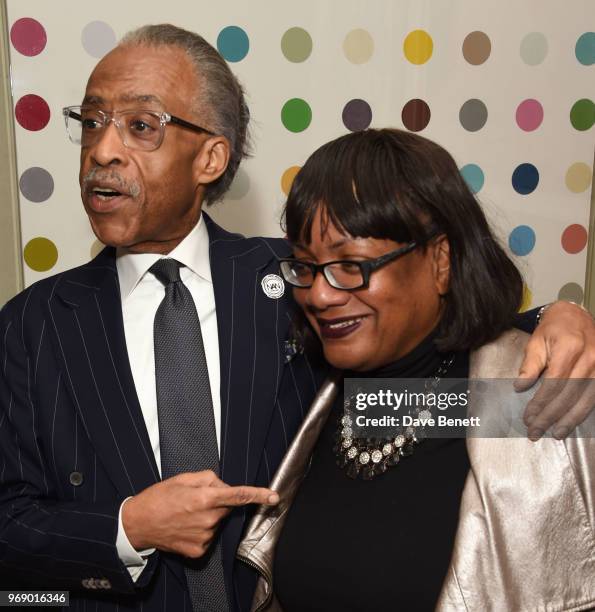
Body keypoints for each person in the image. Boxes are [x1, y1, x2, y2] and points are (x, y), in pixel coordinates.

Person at [0, 24, 592, 612]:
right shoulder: (31, 325)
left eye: (139, 125)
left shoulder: (294, 281)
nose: (102, 150)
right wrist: (127, 528)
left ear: (211, 156)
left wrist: (562, 318)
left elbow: (447, 354)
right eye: (93, 121)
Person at [238, 128, 595, 611]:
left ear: (441, 260)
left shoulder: (534, 399)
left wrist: (561, 317)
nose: (319, 295)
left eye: (352, 264)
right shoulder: (310, 385)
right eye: (305, 265)